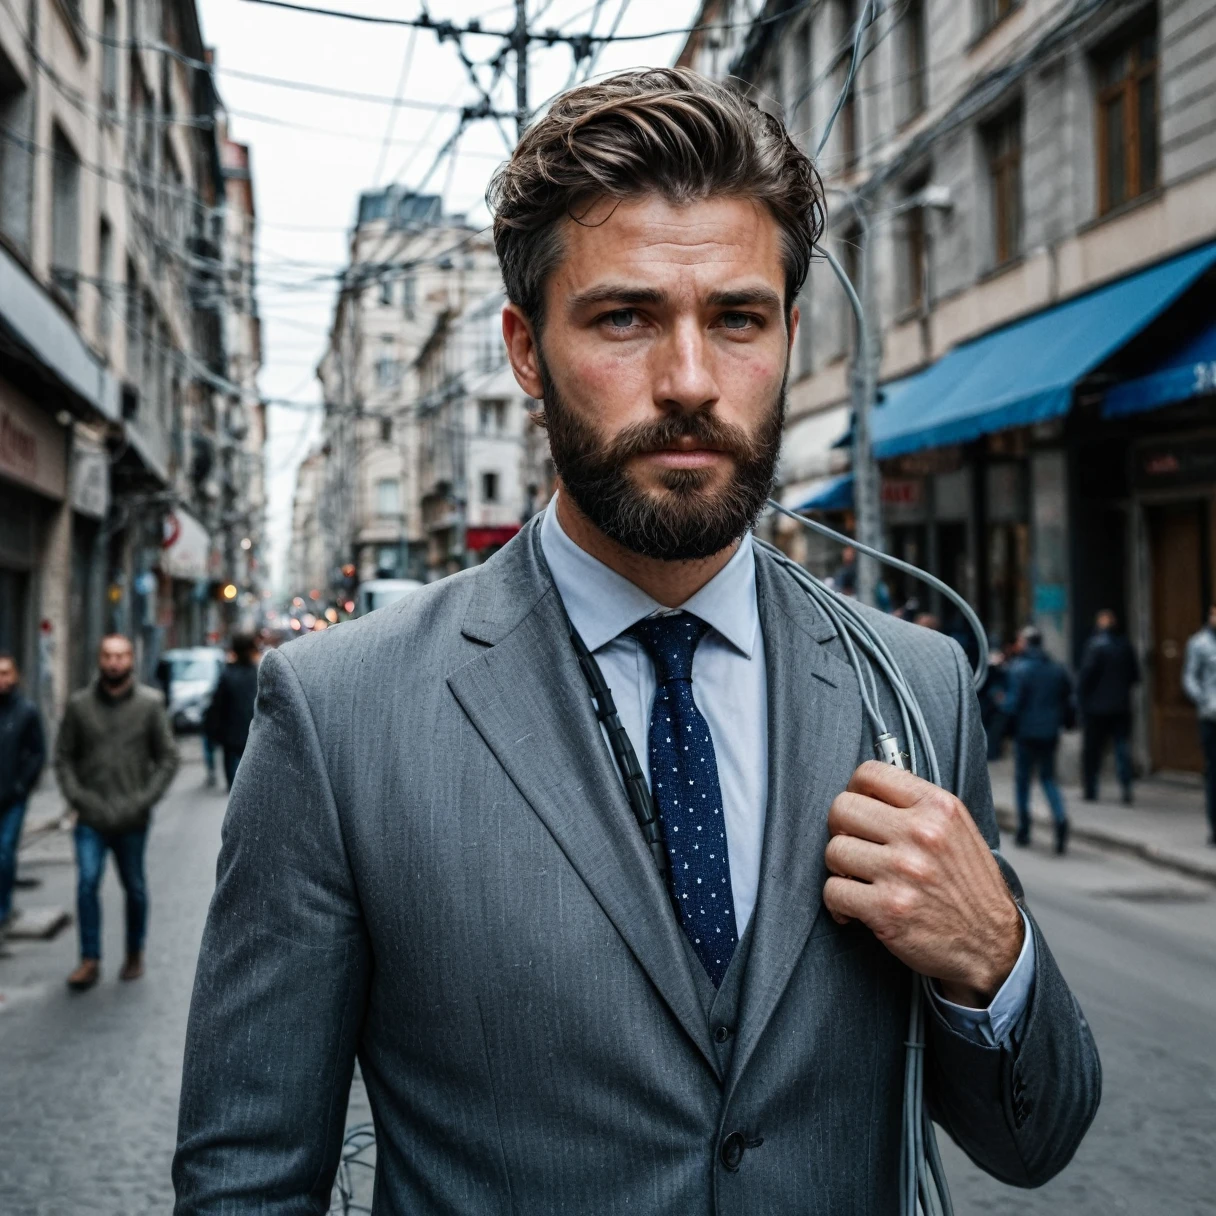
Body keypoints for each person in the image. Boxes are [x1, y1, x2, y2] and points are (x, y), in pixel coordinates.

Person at [174, 70, 1099, 1212]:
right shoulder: (339, 712)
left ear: (789, 337)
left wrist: (993, 955)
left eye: (737, 318)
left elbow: (1036, 1138)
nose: (690, 382)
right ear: (525, 349)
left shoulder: (913, 685)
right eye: (624, 317)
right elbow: (246, 1174)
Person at [55, 634, 179, 990]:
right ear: (99, 659)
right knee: (87, 884)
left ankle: (134, 952)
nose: (114, 662)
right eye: (108, 656)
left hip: (132, 818)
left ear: (131, 660)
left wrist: (143, 800)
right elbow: (63, 757)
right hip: (90, 817)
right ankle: (89, 959)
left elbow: (168, 758)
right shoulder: (79, 706)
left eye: (121, 656)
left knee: (135, 887)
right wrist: (78, 799)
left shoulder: (150, 703)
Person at [1006, 626, 1075, 854]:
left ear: (1025, 643)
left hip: (1026, 732)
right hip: (1049, 731)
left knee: (1023, 781)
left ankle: (1024, 829)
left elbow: (1013, 704)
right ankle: (1060, 817)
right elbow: (1068, 698)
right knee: (1048, 778)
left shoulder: (1019, 669)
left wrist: (1000, 706)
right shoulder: (1056, 668)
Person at [0, 653, 46, 931]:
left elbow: (38, 753)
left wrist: (21, 786)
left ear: (15, 676)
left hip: (13, 797)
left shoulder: (26, 711)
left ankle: (3, 908)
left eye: (6, 673)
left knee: (4, 851)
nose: (1, 679)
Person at [1078, 609, 1140, 804]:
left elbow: (1086, 677)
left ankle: (1091, 789)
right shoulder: (1124, 645)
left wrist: (1082, 700)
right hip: (1120, 706)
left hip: (1097, 708)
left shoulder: (1095, 646)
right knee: (1121, 747)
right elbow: (1135, 676)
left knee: (1093, 750)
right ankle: (1126, 786)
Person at [203, 633, 260, 791]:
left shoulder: (228, 674)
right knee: (250, 781)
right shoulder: (257, 673)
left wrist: (213, 731)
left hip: (231, 734)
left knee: (233, 784)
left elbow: (217, 706)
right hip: (251, 732)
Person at [1182, 603, 1216, 846]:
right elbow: (1190, 676)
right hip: (1211, 716)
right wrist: (1203, 699)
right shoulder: (1199, 643)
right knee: (1213, 773)